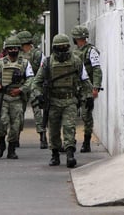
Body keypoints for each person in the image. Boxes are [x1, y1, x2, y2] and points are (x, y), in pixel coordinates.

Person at [31, 34, 93, 168]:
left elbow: (85, 80)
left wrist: (89, 96)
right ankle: (55, 155)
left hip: (70, 100)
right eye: (59, 48)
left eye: (64, 47)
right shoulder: (47, 63)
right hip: (53, 101)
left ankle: (70, 154)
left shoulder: (76, 61)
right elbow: (36, 83)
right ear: (54, 48)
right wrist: (39, 94)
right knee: (53, 130)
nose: (62, 50)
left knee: (69, 127)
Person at [0, 35, 34, 159]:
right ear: (6, 50)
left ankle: (11, 149)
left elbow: (30, 79)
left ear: (19, 49)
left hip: (17, 98)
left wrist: (21, 89)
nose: (13, 51)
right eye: (10, 48)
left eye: (15, 48)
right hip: (3, 97)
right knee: (1, 122)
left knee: (16, 124)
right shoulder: (0, 62)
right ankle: (1, 144)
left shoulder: (24, 63)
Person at [71, 25, 103, 153]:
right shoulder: (74, 52)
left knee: (86, 115)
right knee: (70, 114)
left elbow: (96, 70)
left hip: (86, 87)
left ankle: (86, 141)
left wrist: (95, 87)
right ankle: (70, 140)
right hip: (75, 88)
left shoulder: (91, 51)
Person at [16, 30, 47, 149]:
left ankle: (42, 136)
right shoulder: (18, 54)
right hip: (22, 85)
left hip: (34, 84)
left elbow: (42, 70)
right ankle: (16, 136)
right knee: (18, 112)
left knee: (38, 111)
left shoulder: (38, 54)